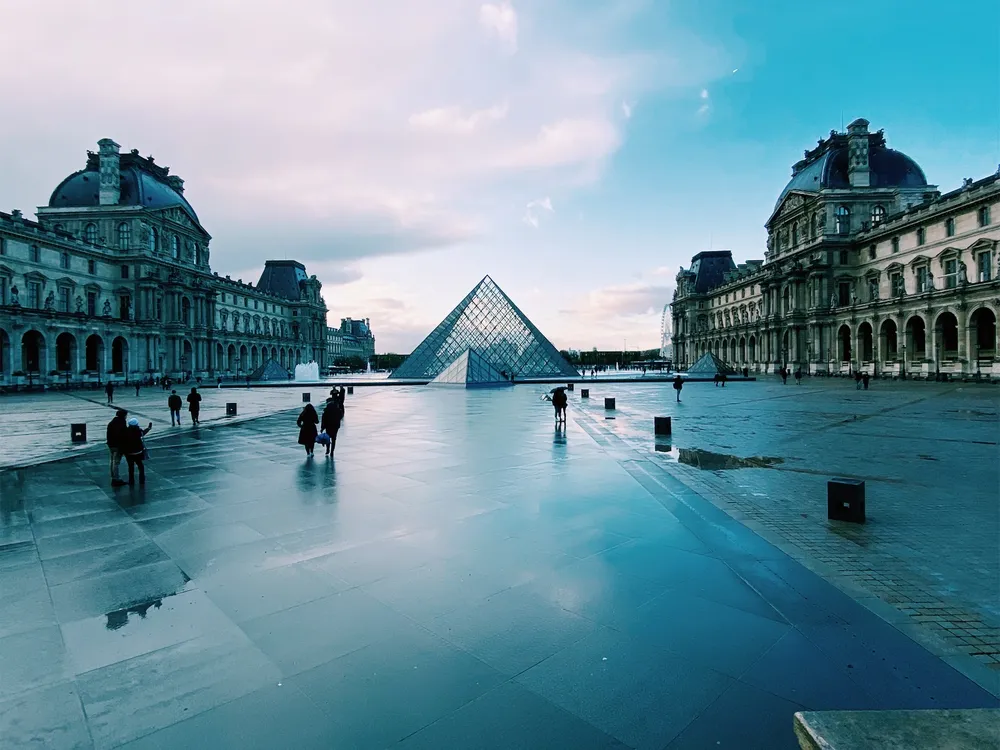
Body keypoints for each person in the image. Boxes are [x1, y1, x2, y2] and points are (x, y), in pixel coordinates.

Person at [122, 417, 152, 486]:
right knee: (140, 466)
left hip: (129, 452)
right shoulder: (138, 430)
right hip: (138, 452)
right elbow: (143, 433)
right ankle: (142, 479)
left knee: (130, 467)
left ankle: (131, 480)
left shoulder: (125, 431)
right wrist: (149, 428)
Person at [106, 409, 128, 486]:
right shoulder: (121, 422)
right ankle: (116, 479)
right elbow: (123, 434)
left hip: (111, 445)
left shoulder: (112, 422)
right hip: (117, 445)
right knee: (116, 462)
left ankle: (113, 477)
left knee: (112, 461)